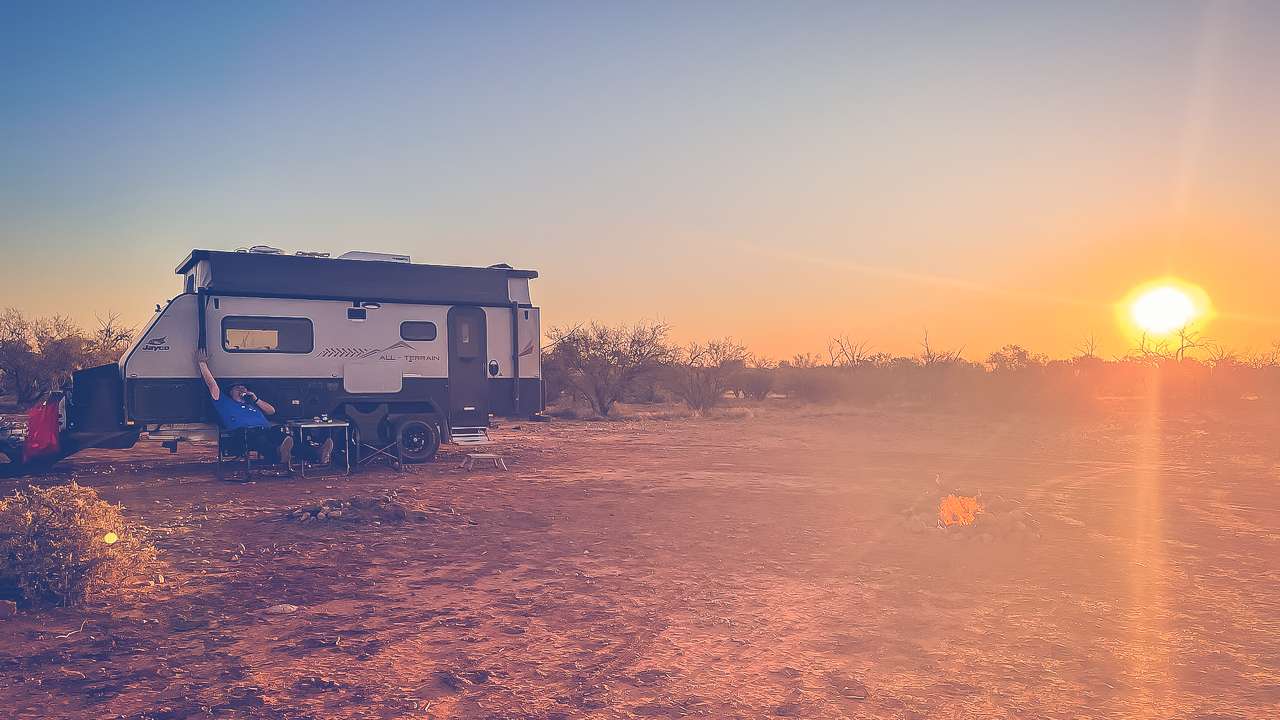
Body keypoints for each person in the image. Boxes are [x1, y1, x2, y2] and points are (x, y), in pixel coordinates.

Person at [196, 349, 297, 466]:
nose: (241, 389)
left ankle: (310, 453)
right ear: (231, 392)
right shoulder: (224, 402)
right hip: (244, 434)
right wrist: (202, 364)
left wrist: (256, 399)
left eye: (243, 388)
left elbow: (271, 411)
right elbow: (212, 385)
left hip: (266, 430)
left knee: (285, 437)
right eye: (237, 388)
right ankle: (278, 454)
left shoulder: (251, 404)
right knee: (260, 439)